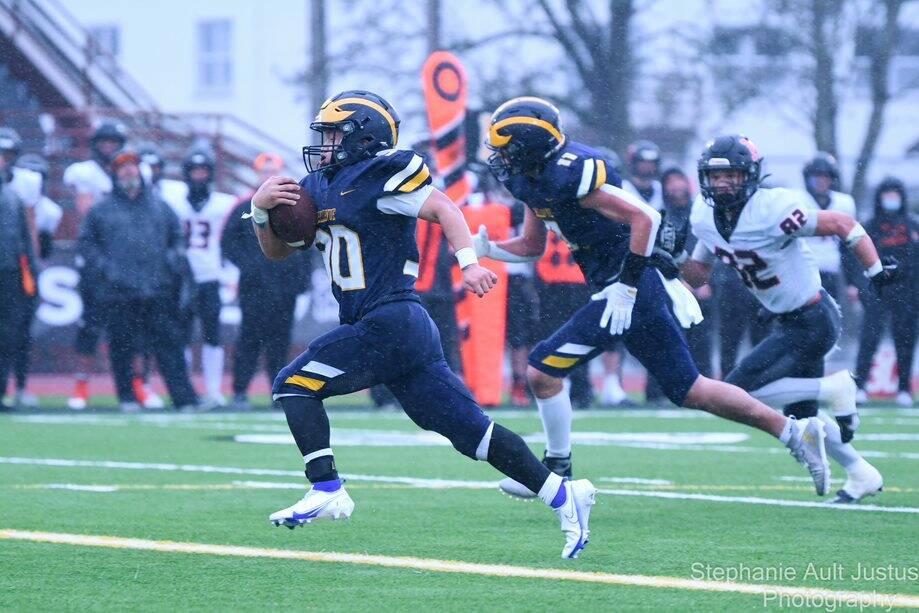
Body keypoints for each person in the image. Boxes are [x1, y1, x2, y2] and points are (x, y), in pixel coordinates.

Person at [251, 90, 597, 559]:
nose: (325, 144)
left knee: (293, 385)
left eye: (334, 134)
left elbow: (445, 209)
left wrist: (469, 263)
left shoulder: (383, 172)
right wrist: (260, 211)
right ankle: (562, 492)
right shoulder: (317, 187)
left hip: (390, 319)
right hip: (392, 328)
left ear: (362, 137)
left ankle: (327, 487)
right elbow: (277, 252)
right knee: (470, 433)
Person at [473, 98, 831, 500]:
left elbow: (646, 217)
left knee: (541, 369)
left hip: (628, 290)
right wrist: (487, 248)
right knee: (692, 389)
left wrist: (626, 286)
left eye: (506, 148)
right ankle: (794, 432)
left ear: (528, 148)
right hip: (624, 289)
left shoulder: (569, 177)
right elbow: (532, 247)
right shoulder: (531, 181)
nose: (499, 157)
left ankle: (557, 470)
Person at [682, 135, 895, 503]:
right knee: (802, 418)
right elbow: (699, 272)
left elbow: (845, 225)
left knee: (736, 391)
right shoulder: (704, 215)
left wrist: (874, 272)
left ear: (749, 175)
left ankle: (833, 388)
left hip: (812, 319)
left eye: (730, 175)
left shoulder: (774, 208)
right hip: (786, 320)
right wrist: (667, 259)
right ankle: (862, 473)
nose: (721, 184)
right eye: (715, 177)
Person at [78, 148, 199, 412]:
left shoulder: (160, 206)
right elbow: (87, 245)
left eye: (132, 167)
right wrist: (107, 270)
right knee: (122, 348)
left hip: (158, 289)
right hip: (118, 292)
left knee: (170, 347)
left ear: (140, 172)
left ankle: (184, 399)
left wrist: (171, 262)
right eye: (122, 168)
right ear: (115, 174)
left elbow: (178, 238)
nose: (128, 171)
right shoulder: (101, 210)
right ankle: (127, 398)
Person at [221, 152, 310, 409]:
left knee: (280, 344)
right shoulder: (242, 206)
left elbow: (306, 244)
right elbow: (228, 243)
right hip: (255, 289)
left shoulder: (295, 206)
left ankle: (278, 392)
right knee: (249, 340)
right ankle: (239, 392)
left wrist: (299, 282)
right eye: (264, 171)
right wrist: (250, 267)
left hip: (285, 289)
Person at [162, 146, 236, 407]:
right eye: (194, 171)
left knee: (212, 335)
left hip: (209, 277)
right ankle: (185, 389)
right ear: (185, 173)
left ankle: (214, 390)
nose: (199, 176)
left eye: (203, 171)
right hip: (181, 280)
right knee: (180, 336)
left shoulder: (223, 203)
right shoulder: (172, 199)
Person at [64, 120, 131, 410]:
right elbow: (86, 216)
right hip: (96, 263)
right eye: (104, 143)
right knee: (90, 327)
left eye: (114, 143)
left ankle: (134, 387)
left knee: (129, 331)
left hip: (124, 265)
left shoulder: (129, 172)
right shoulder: (85, 173)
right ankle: (81, 385)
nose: (109, 148)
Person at [854, 177, 917, 407]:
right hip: (877, 290)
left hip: (908, 293)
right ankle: (860, 387)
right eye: (886, 193)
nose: (891, 198)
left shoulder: (913, 226)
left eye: (895, 193)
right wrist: (859, 286)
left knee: (906, 340)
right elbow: (855, 258)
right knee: (869, 339)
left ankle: (904, 390)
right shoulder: (868, 226)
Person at [10, 153, 63, 407]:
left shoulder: (49, 212)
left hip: (24, 275)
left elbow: (43, 250)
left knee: (21, 333)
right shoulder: (8, 199)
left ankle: (20, 386)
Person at [661, 167, 714, 377]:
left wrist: (703, 279)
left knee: (702, 339)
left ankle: (706, 380)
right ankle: (664, 387)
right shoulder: (662, 216)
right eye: (670, 181)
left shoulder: (699, 214)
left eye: (679, 179)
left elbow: (709, 247)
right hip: (672, 285)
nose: (676, 185)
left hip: (702, 284)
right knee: (670, 338)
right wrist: (680, 280)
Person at [0, 144, 37, 410]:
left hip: (11, 273)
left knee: (8, 335)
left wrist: (31, 274)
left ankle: (2, 391)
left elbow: (24, 241)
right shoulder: (13, 197)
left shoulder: (13, 197)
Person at [800, 153, 860, 302]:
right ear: (808, 178)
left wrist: (851, 282)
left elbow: (848, 247)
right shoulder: (796, 201)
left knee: (830, 317)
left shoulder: (843, 204)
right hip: (800, 274)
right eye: (817, 176)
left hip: (830, 274)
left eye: (826, 177)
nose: (821, 181)